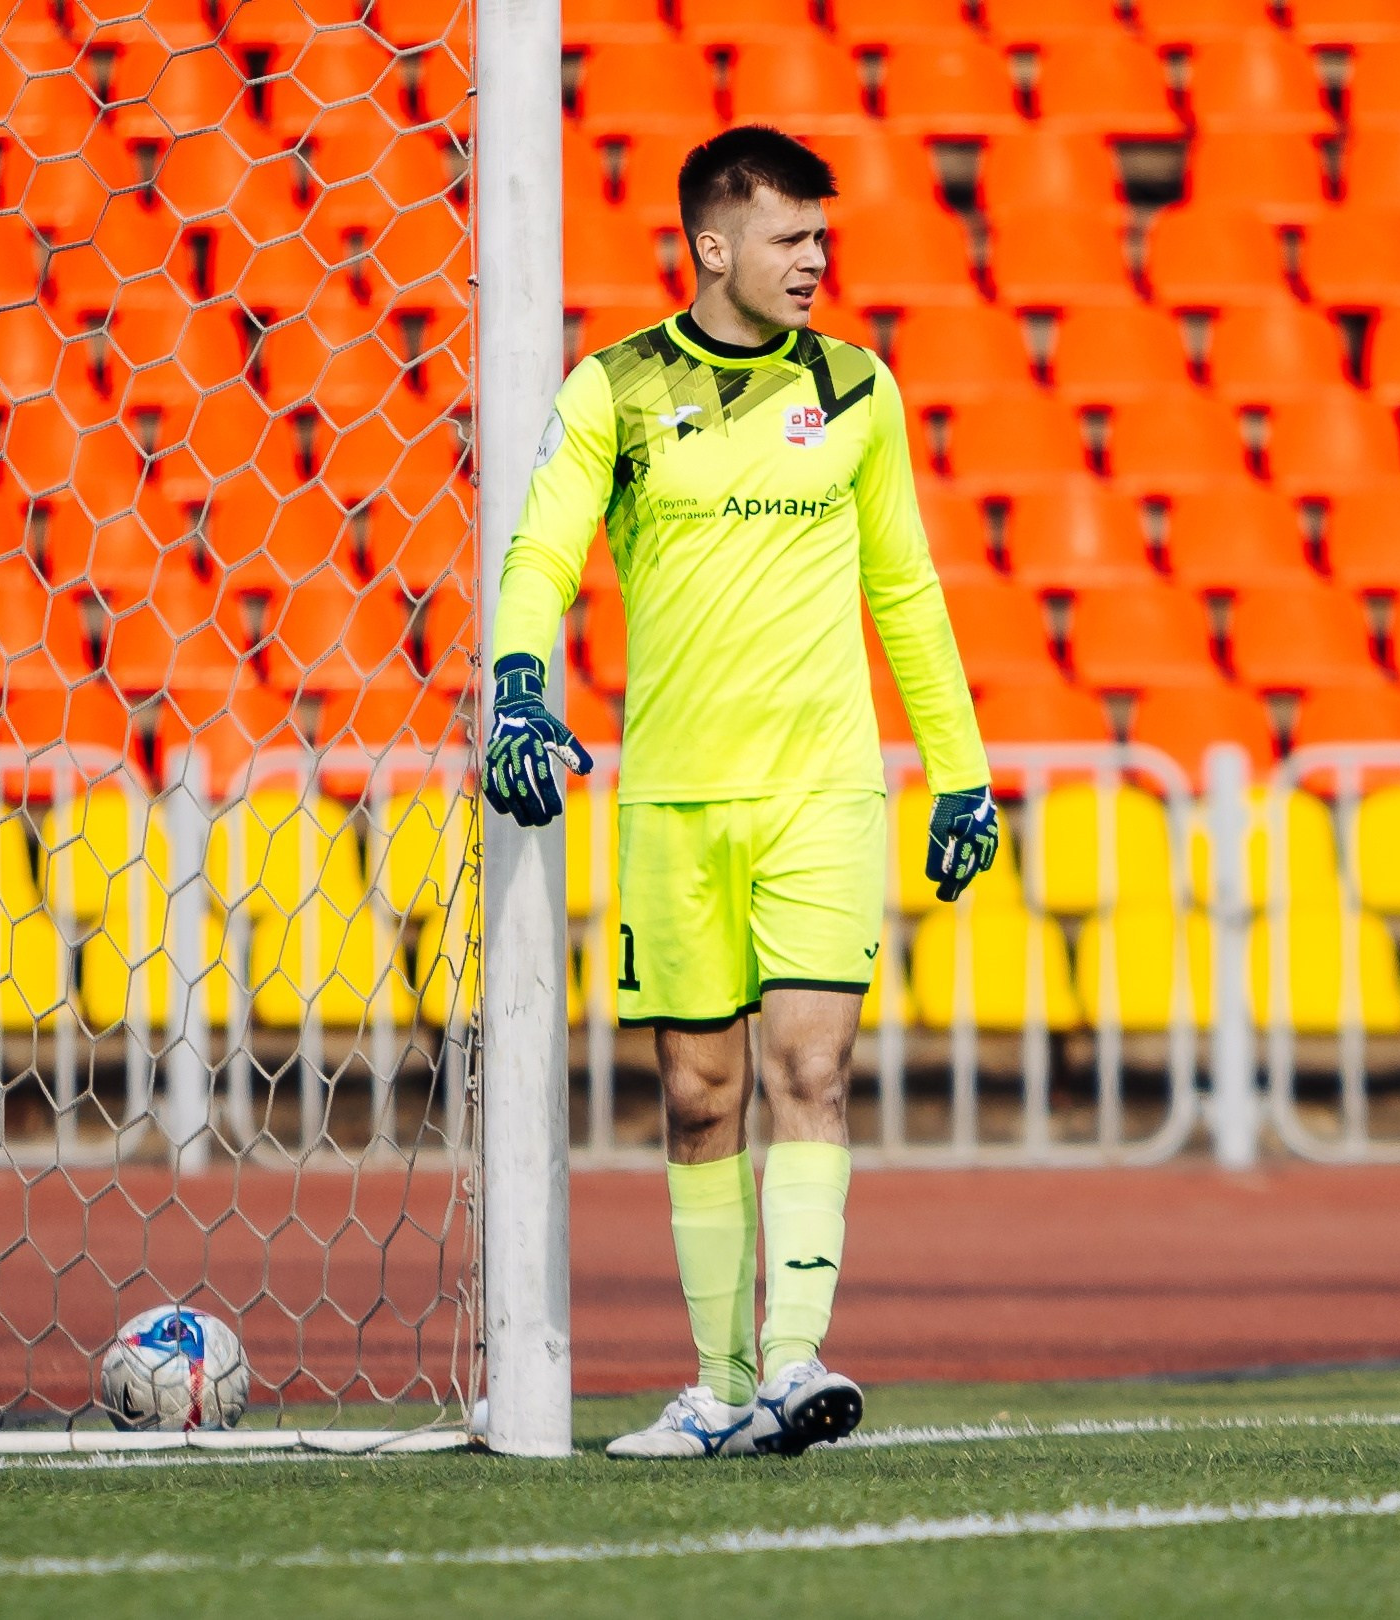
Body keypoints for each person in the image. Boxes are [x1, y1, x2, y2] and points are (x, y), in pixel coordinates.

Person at [483, 125, 998, 1459]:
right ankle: (717, 1384)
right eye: (789, 236)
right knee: (703, 1094)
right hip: (675, 801)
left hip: (823, 793)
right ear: (712, 245)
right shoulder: (613, 389)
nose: (815, 259)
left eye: (822, 236)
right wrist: (520, 681)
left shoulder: (858, 388)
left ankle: (791, 1359)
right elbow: (540, 551)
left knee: (810, 1068)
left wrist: (961, 775)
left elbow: (907, 591)